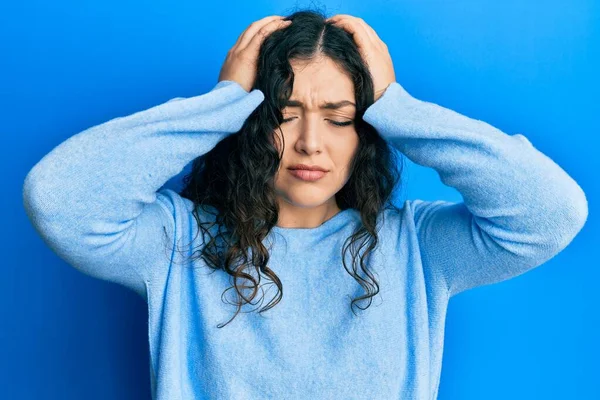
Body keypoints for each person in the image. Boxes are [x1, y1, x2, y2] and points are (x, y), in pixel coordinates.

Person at [22, 10, 588, 400]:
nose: (310, 142)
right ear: (252, 123)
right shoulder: (179, 241)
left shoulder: (417, 247)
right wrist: (219, 105)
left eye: (339, 118)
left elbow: (551, 211)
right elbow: (60, 199)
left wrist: (399, 108)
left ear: (365, 131)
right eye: (284, 115)